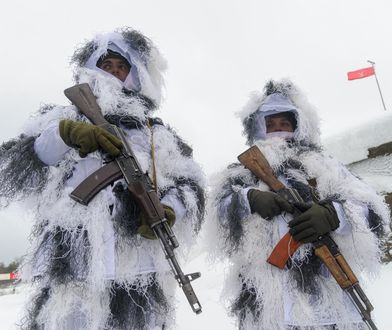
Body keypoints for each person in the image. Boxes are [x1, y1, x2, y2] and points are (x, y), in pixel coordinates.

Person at [0, 27, 205, 329]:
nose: (112, 73)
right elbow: (19, 165)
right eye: (105, 65)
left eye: (121, 67)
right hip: (73, 268)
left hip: (137, 272)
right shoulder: (61, 119)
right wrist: (64, 134)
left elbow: (190, 183)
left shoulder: (155, 133)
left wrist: (170, 208)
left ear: (135, 77)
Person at [207, 79, 389, 330]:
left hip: (327, 301)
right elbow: (217, 215)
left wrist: (333, 214)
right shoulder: (242, 173)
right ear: (257, 127)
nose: (277, 130)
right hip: (267, 305)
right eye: (269, 124)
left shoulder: (322, 163)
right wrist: (249, 199)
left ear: (298, 125)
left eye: (284, 123)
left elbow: (371, 208)